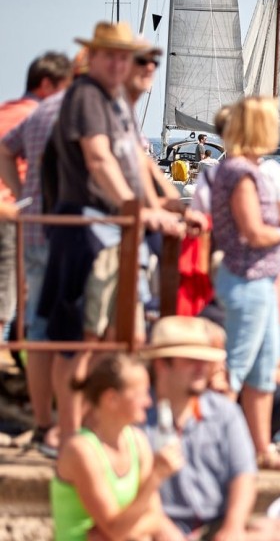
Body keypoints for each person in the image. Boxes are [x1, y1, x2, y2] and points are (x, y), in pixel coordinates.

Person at [50, 351, 263, 541]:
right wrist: (153, 482)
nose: (149, 401)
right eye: (139, 394)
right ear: (111, 399)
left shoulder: (136, 441)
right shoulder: (81, 451)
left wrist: (125, 531)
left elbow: (149, 519)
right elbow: (115, 528)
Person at [39, 23, 181, 445]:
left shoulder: (115, 102)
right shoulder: (85, 96)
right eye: (113, 55)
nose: (121, 63)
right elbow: (99, 159)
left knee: (116, 336)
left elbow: (135, 158)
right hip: (88, 226)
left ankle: (97, 428)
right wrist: (135, 210)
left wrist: (159, 205)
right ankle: (67, 432)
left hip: (116, 229)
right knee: (78, 340)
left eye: (127, 56)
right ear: (95, 56)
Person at [140, 316, 280, 541]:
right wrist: (160, 527)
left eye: (205, 361)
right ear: (161, 365)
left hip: (213, 526)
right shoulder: (136, 414)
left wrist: (233, 526)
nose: (202, 368)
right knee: (134, 537)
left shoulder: (224, 412)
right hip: (155, 525)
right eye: (191, 361)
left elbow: (244, 475)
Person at [207, 97, 280, 468]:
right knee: (234, 371)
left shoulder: (239, 168)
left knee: (262, 371)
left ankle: (260, 449)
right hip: (247, 280)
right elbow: (253, 232)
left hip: (260, 281)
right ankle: (206, 449)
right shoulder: (241, 172)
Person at [0, 51, 74, 454]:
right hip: (12, 220)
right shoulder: (37, 114)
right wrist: (17, 203)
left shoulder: (10, 111)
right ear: (48, 85)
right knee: (12, 304)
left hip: (16, 219)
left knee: (22, 311)